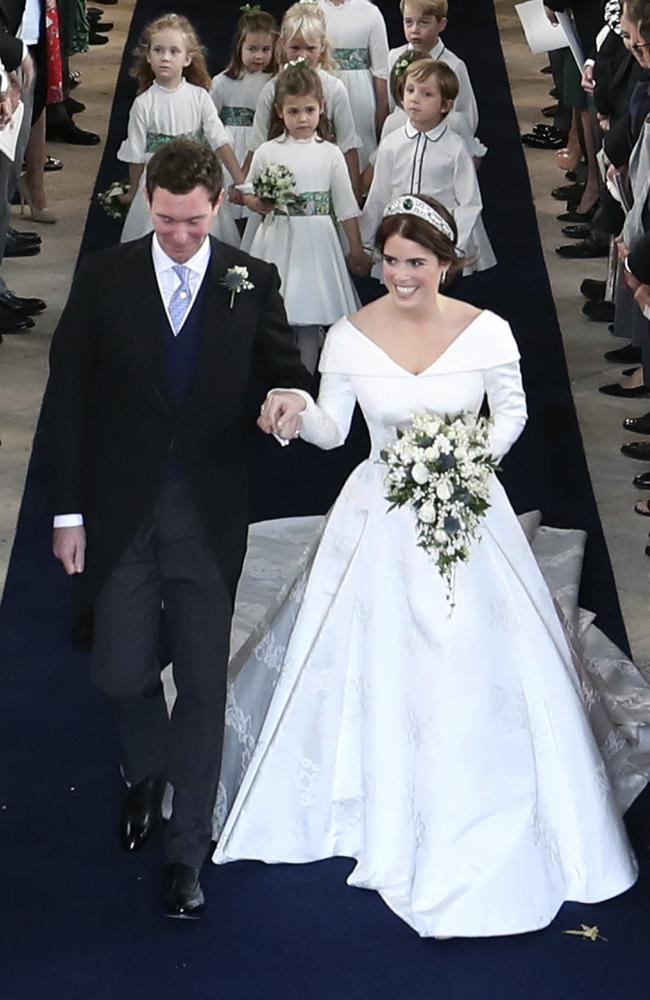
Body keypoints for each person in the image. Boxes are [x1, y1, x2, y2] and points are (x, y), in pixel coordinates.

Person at [212, 194, 640, 938]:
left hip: (467, 507)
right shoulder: (349, 335)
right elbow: (333, 427)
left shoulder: (489, 332)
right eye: (390, 261)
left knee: (477, 651)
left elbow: (510, 414)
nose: (400, 275)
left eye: (417, 262)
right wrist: (290, 406)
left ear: (448, 262)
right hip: (378, 512)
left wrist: (467, 460)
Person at [45, 138, 313, 920]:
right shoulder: (103, 277)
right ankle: (146, 770)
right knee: (119, 672)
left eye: (194, 222)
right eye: (166, 221)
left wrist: (289, 403)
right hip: (121, 512)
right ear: (149, 204)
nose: (181, 236)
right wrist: (69, 513)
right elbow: (67, 400)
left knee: (201, 683)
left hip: (209, 512)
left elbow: (285, 371)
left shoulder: (251, 279)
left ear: (217, 206)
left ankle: (186, 851)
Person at [241, 63, 369, 372]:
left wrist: (355, 250)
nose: (302, 118)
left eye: (309, 110)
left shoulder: (330, 153)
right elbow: (247, 192)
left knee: (311, 318)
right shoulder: (268, 151)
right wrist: (257, 201)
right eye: (294, 111)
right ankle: (278, 381)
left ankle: (305, 384)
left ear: (322, 108)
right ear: (279, 111)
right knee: (277, 312)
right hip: (278, 239)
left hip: (317, 245)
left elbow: (346, 208)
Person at [117, 12, 244, 247]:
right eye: (158, 50)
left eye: (174, 51)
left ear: (187, 59)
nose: (165, 58)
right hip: (157, 182)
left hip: (196, 180)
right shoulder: (143, 103)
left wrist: (240, 180)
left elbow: (219, 140)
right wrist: (135, 191)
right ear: (148, 55)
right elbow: (135, 153)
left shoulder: (199, 97)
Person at [362, 58, 495, 274]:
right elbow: (378, 196)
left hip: (438, 243)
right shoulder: (391, 144)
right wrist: (367, 245)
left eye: (427, 94)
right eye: (410, 90)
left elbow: (469, 203)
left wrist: (455, 249)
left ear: (446, 105)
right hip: (399, 239)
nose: (415, 99)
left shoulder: (455, 147)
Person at [245, 1, 362, 197]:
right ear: (283, 44)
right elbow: (256, 145)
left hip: (322, 183)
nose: (303, 55)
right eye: (295, 47)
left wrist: (354, 193)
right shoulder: (271, 89)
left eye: (310, 48)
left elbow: (347, 145)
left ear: (322, 46)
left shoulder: (334, 88)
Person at [210, 5, 278, 225]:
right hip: (229, 149)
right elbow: (211, 120)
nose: (259, 56)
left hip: (260, 147)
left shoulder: (275, 82)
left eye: (266, 49)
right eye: (252, 49)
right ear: (239, 46)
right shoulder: (222, 82)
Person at [316, 0, 390, 169]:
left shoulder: (370, 12)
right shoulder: (309, 7)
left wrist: (381, 123)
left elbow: (381, 73)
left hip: (359, 95)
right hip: (319, 88)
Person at [388, 0, 479, 136]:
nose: (414, 30)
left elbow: (467, 115)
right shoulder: (395, 57)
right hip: (402, 133)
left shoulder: (453, 65)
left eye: (423, 22)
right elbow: (392, 102)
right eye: (408, 22)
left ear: (441, 25)